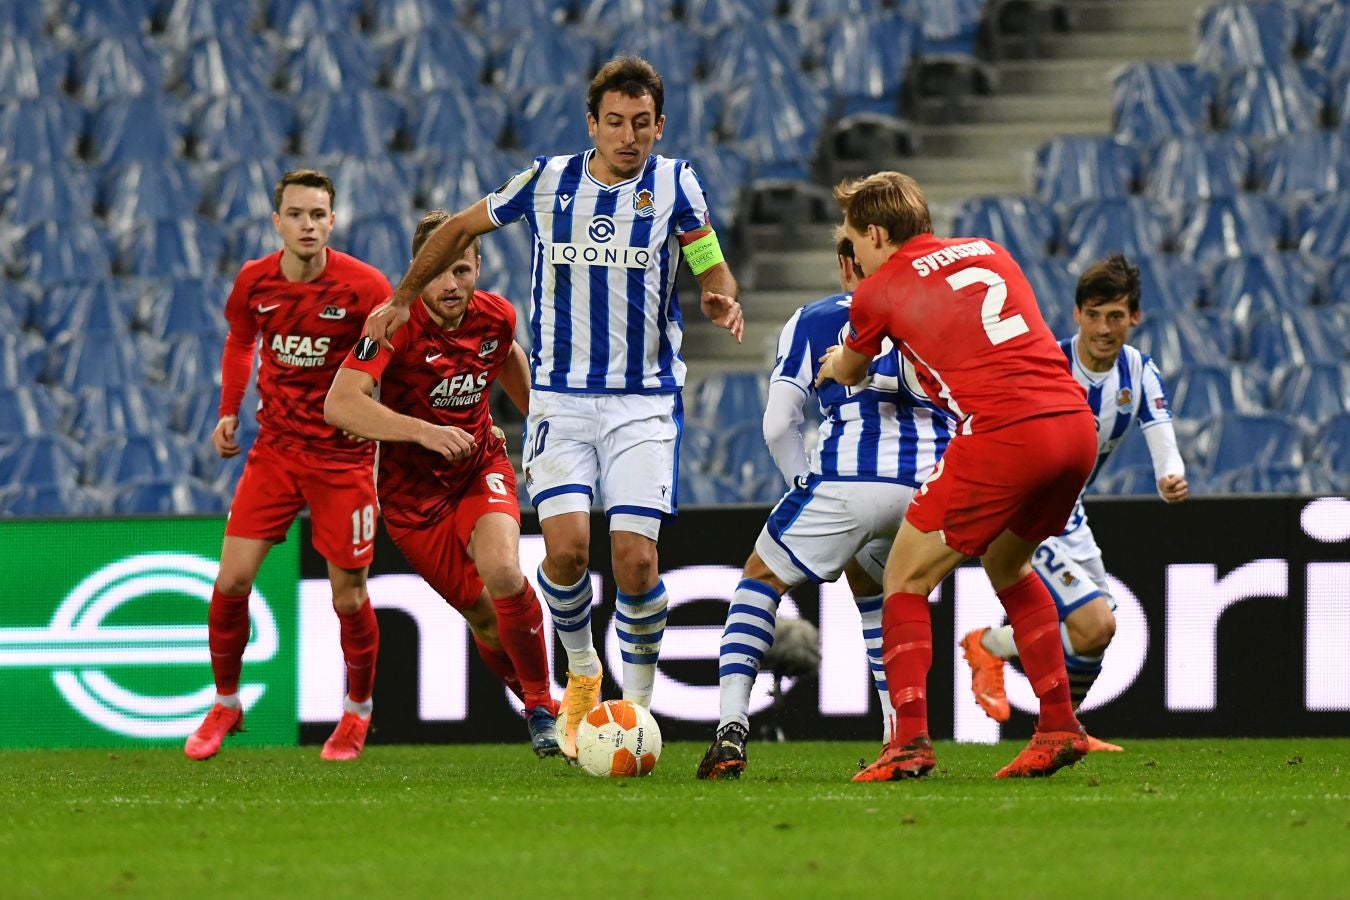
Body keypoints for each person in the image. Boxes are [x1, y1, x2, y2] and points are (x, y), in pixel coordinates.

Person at [361, 56, 744, 758]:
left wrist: (720, 290)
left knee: (636, 565)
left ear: (659, 127)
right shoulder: (544, 181)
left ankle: (638, 706)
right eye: (616, 123)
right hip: (561, 400)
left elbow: (705, 252)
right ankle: (583, 672)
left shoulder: (676, 182)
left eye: (642, 125)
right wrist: (403, 296)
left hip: (643, 401)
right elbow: (453, 232)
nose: (629, 137)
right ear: (592, 124)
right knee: (565, 553)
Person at [818, 171, 1098, 780]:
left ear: (875, 233)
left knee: (903, 577)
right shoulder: (989, 250)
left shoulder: (879, 287)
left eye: (853, 241)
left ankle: (910, 742)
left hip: (1005, 433)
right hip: (1074, 425)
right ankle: (1058, 726)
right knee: (1007, 564)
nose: (852, 254)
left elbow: (853, 366)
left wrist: (834, 361)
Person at [697, 229, 953, 779]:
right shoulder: (942, 310)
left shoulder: (815, 319)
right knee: (883, 592)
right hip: (934, 486)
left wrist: (804, 487)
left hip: (851, 479)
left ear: (845, 265)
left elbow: (777, 425)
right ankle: (899, 735)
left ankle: (730, 731)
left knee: (760, 579)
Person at [325, 210, 563, 758]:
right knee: (483, 617)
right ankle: (533, 701)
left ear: (478, 264)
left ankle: (545, 709)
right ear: (417, 271)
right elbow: (339, 404)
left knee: (505, 572)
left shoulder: (496, 316)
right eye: (437, 273)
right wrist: (423, 433)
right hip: (413, 502)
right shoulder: (392, 325)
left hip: (481, 469)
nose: (451, 285)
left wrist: (540, 429)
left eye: (462, 269)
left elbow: (505, 357)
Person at [185, 169, 392, 762]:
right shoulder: (254, 281)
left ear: (333, 220)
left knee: (348, 597)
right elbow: (241, 339)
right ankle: (226, 702)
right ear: (277, 221)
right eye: (296, 214)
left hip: (343, 459)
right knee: (230, 582)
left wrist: (370, 407)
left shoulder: (365, 287)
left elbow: (386, 355)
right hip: (275, 451)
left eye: (318, 214)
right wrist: (229, 409)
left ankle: (356, 712)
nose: (308, 224)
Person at [959, 253, 1188, 750]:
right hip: (1023, 512)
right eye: (1094, 315)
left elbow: (1162, 434)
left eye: (1116, 316)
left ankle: (1002, 660)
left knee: (1094, 635)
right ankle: (1057, 729)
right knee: (1095, 621)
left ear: (1134, 318)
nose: (1104, 328)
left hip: (1070, 514)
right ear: (1077, 315)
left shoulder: (1139, 373)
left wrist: (1172, 475)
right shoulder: (1048, 363)